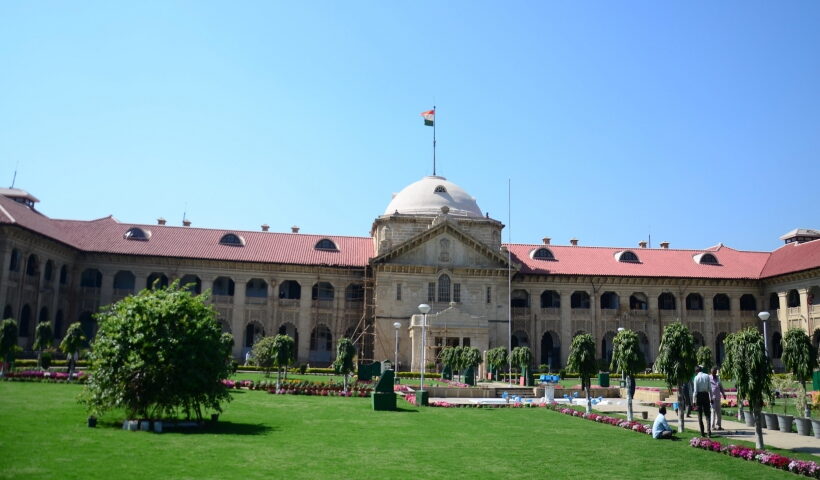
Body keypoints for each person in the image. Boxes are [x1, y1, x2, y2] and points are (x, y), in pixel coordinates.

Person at [692, 365, 712, 437]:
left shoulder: (696, 378)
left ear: (696, 371)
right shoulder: (707, 376)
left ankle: (702, 433)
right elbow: (710, 388)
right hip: (706, 395)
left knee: (699, 415)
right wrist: (711, 398)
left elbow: (695, 391)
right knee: (707, 415)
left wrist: (694, 401)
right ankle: (709, 432)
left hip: (699, 396)